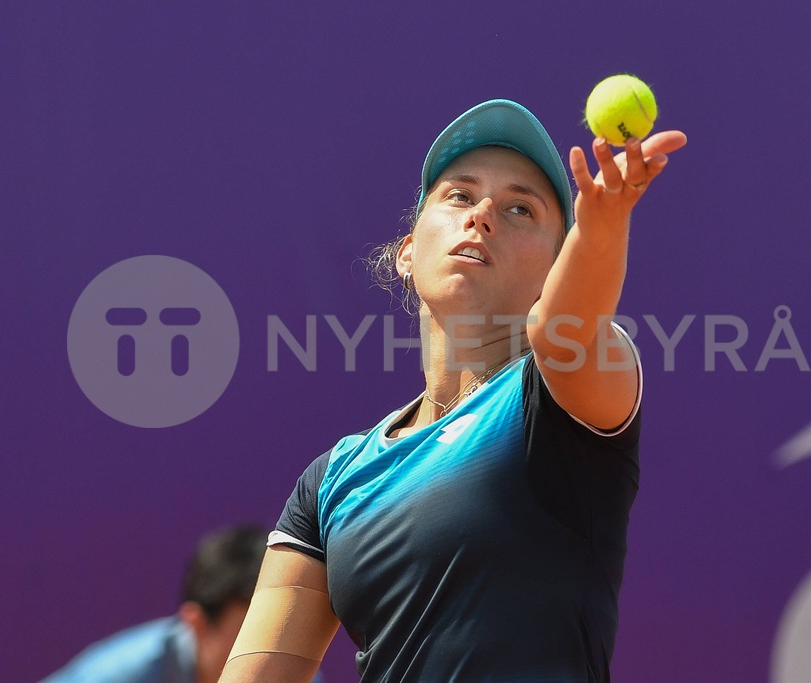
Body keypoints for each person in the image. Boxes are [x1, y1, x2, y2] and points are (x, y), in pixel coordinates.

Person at [221, 99, 687, 682]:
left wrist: (601, 228)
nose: (483, 214)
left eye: (521, 209)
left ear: (555, 267)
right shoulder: (330, 481)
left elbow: (564, 328)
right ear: (407, 254)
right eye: (460, 196)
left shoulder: (558, 399)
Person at [41, 524, 325, 683]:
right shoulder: (114, 675)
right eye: (249, 636)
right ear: (196, 624)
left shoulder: (296, 675)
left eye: (275, 633)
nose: (267, 651)